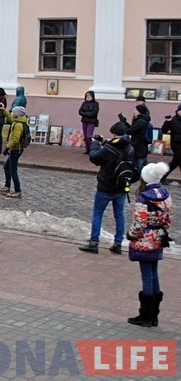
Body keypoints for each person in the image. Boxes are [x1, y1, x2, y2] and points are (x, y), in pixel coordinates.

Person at [126, 162, 172, 327]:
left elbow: (139, 224)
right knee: (154, 272)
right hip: (158, 237)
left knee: (146, 274)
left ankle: (145, 315)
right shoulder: (165, 194)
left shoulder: (144, 198)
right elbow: (168, 220)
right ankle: (154, 315)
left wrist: (131, 235)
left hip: (145, 239)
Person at [78, 123, 133, 254]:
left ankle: (94, 243)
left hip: (105, 187)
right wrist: (104, 141)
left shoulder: (109, 148)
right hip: (121, 188)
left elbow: (94, 157)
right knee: (119, 215)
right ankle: (118, 243)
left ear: (114, 134)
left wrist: (96, 144)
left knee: (97, 214)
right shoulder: (130, 148)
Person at [0, 105, 28, 198]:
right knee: (6, 167)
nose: (11, 113)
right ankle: (7, 186)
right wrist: (4, 110)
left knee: (12, 170)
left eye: (12, 112)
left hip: (16, 149)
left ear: (17, 114)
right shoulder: (17, 122)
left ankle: (17, 190)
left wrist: (7, 147)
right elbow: (10, 119)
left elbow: (15, 139)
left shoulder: (18, 125)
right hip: (14, 148)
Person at [118, 103, 151, 173]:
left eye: (136, 110)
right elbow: (132, 128)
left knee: (138, 168)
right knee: (145, 167)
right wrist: (123, 121)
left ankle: (146, 180)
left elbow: (129, 131)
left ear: (140, 112)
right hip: (142, 147)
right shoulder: (143, 120)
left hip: (138, 147)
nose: (134, 111)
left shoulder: (140, 122)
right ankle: (149, 179)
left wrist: (123, 124)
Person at [160, 104, 181, 184]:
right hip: (176, 145)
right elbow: (164, 130)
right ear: (178, 111)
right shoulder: (173, 120)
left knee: (174, 163)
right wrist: (167, 122)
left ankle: (161, 177)